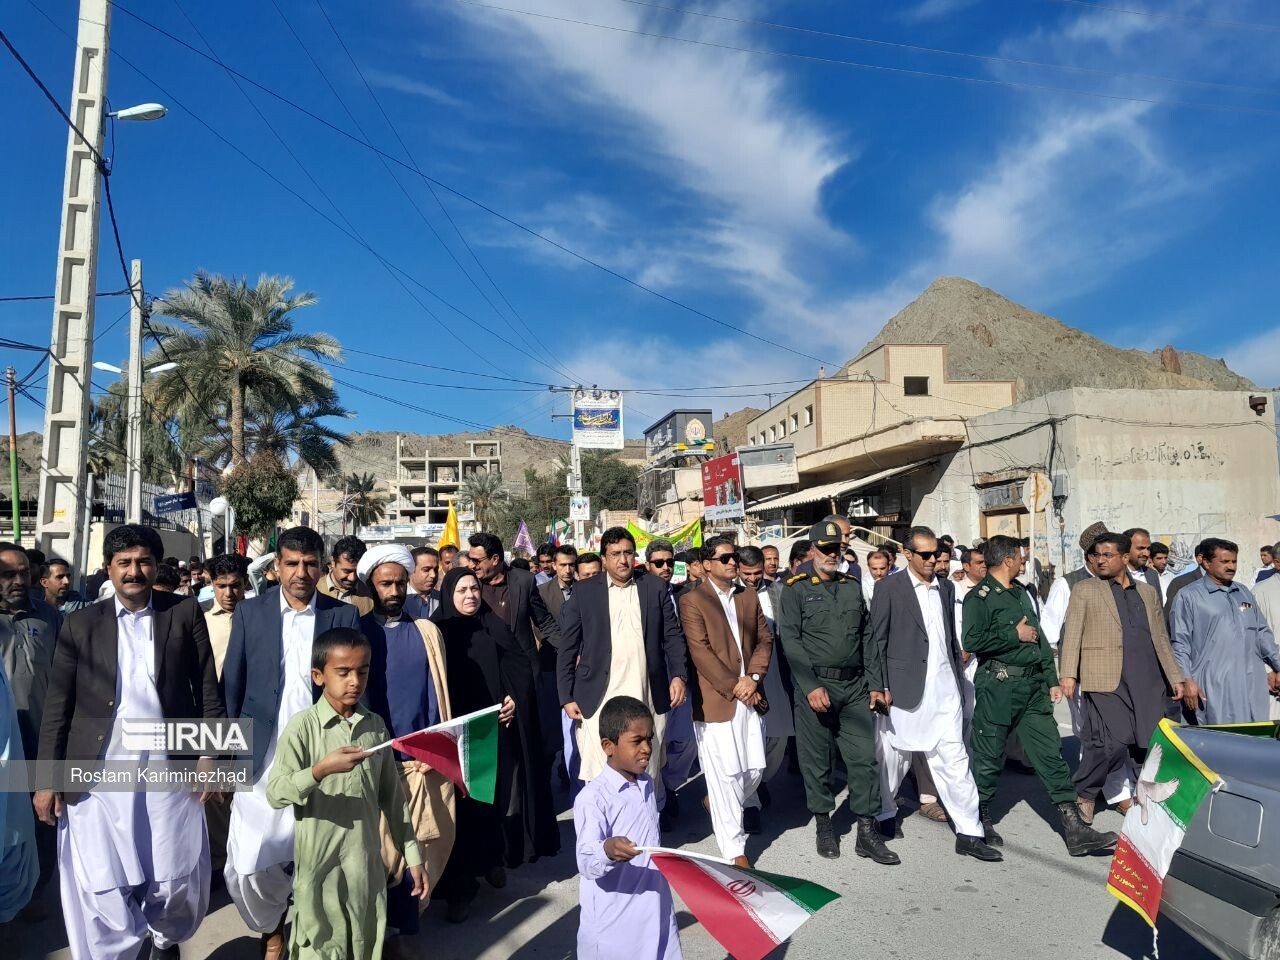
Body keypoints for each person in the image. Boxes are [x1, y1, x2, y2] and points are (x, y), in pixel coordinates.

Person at [34, 523, 224, 960]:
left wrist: (210, 753)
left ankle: (163, 940)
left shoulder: (182, 612)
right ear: (108, 569)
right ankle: (119, 950)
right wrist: (46, 780)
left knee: (172, 871)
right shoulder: (79, 624)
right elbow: (57, 707)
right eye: (125, 563)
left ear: (157, 566)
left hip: (168, 766)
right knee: (102, 875)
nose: (134, 571)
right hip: (97, 772)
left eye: (143, 562)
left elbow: (207, 688)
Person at [222, 526, 362, 958]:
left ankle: (309, 932)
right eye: (292, 563)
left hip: (323, 753)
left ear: (322, 567)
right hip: (260, 756)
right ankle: (270, 925)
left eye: (310, 563)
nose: (301, 572)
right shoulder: (250, 614)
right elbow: (232, 686)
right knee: (248, 862)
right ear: (276, 567)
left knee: (319, 853)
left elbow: (360, 686)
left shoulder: (343, 615)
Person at [266, 627, 427, 960]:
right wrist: (320, 770)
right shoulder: (303, 727)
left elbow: (393, 800)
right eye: (343, 672)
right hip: (318, 875)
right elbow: (276, 792)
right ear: (319, 676)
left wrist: (413, 856)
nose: (354, 681)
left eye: (362, 671)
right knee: (319, 948)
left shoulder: (375, 727)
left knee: (364, 945)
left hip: (365, 873)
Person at [962, 535, 1117, 857]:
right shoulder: (980, 597)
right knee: (989, 758)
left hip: (1033, 688)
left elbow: (1041, 640)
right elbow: (972, 639)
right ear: (1007, 560)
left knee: (1050, 757)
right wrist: (1011, 634)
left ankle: (1075, 830)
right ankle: (978, 820)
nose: (1023, 561)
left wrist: (1052, 679)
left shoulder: (1021, 592)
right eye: (1019, 557)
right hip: (999, 687)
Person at [432, 567, 557, 921]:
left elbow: (520, 664)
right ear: (449, 595)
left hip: (493, 730)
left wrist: (513, 698)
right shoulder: (437, 631)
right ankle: (460, 887)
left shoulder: (493, 624)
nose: (471, 596)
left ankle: (491, 861)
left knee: (490, 800)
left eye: (474, 589)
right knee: (459, 807)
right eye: (462, 591)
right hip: (455, 732)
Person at [872, 528, 1000, 862]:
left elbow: (947, 636)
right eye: (925, 555)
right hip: (903, 691)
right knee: (893, 759)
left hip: (945, 691)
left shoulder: (945, 587)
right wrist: (879, 684)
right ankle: (884, 814)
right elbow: (876, 641)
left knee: (955, 760)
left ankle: (969, 831)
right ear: (907, 553)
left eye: (936, 555)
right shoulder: (888, 588)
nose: (933, 561)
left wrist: (958, 676)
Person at [355, 544, 460, 944]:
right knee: (380, 855)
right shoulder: (358, 633)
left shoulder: (426, 632)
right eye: (386, 583)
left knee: (418, 846)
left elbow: (438, 697)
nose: (394, 590)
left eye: (400, 581)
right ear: (371, 586)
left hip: (421, 760)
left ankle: (403, 934)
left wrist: (436, 749)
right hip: (377, 761)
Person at [775, 520, 896, 864]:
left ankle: (866, 833)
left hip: (855, 687)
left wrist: (876, 684)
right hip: (817, 687)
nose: (831, 554)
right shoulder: (796, 589)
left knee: (864, 760)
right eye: (825, 549)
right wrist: (810, 686)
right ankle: (824, 824)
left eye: (836, 549)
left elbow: (867, 638)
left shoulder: (852, 586)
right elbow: (791, 641)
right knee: (817, 762)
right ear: (812, 550)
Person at [558, 527, 688, 816]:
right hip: (597, 697)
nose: (623, 560)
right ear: (604, 558)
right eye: (615, 554)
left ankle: (645, 837)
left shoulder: (653, 587)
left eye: (628, 553)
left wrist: (679, 675)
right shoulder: (584, 591)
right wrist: (566, 697)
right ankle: (606, 840)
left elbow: (672, 636)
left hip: (647, 694)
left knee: (647, 768)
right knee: (601, 771)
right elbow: (568, 648)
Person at [1059, 532, 1184, 825]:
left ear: (1124, 558)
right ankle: (1086, 793)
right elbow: (1072, 633)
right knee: (1111, 744)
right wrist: (1068, 674)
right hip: (1104, 677)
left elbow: (1161, 638)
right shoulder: (1086, 589)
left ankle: (1147, 797)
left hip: (1146, 677)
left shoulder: (1147, 592)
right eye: (1097, 555)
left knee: (1146, 743)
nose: (1100, 560)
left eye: (1107, 554)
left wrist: (1175, 676)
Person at [679, 536, 770, 866]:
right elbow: (700, 652)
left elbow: (764, 640)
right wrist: (735, 686)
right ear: (706, 565)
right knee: (726, 773)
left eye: (735, 557)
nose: (734, 562)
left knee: (755, 768)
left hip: (752, 696)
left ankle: (716, 802)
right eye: (726, 558)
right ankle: (735, 850)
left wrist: (754, 679)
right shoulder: (692, 601)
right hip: (717, 700)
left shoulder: (748, 597)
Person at [574, 696, 682, 960]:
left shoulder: (646, 783)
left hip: (655, 909)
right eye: (637, 741)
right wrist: (607, 849)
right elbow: (586, 860)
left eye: (650, 739)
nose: (646, 748)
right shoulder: (593, 798)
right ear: (608, 746)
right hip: (616, 926)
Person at [0, 543, 59, 917]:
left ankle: (33, 895)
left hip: (42, 741)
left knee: (45, 822)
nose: (19, 581)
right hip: (3, 748)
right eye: (8, 574)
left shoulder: (48, 616)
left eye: (23, 572)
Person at [1170, 538, 1280, 724]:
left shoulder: (1244, 592)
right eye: (1224, 562)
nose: (1231, 566)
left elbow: (1263, 634)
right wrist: (1186, 679)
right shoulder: (1189, 596)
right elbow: (1181, 642)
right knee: (1221, 739)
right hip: (1214, 684)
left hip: (1251, 682)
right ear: (1206, 562)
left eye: (1234, 561)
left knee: (1254, 737)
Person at [642, 539, 695, 829]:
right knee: (656, 745)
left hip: (681, 681)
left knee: (685, 742)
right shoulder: (640, 595)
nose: (665, 568)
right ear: (648, 565)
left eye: (668, 562)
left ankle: (670, 786)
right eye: (658, 563)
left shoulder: (684, 594)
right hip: (653, 684)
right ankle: (658, 804)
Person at [737, 546, 792, 812]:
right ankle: (750, 804)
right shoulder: (730, 594)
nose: (752, 579)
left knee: (778, 738)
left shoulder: (777, 591)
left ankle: (760, 782)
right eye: (747, 573)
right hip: (743, 678)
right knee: (749, 738)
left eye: (757, 573)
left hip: (774, 675)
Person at [202, 553, 250, 679]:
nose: (228, 593)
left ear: (245, 581)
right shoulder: (199, 615)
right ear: (212, 583)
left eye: (235, 586)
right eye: (222, 586)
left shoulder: (259, 615)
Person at [318, 535, 375, 616]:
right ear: (333, 563)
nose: (352, 578)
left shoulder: (371, 593)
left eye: (357, 571)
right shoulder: (314, 590)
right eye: (347, 571)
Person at [405, 546, 441, 619]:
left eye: (436, 570)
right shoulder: (398, 600)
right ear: (412, 570)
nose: (433, 575)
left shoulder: (442, 600)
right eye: (426, 570)